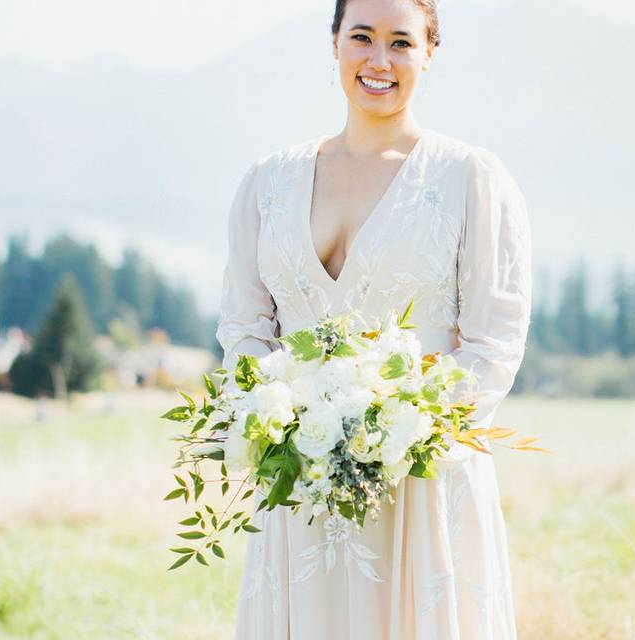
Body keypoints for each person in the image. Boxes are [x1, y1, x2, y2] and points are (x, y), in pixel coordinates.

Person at [216, 0, 532, 637]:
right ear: (334, 43)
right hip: (300, 487)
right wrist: (278, 418)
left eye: (401, 42)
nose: (379, 60)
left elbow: (493, 343)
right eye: (361, 37)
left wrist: (393, 436)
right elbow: (243, 328)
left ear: (429, 52)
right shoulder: (267, 183)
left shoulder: (469, 179)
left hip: (421, 488)